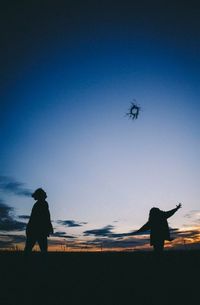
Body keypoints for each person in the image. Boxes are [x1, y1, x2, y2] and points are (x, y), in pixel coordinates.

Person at [24, 188, 53, 253]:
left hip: (34, 229)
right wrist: (49, 227)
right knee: (42, 249)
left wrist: (49, 226)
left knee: (29, 249)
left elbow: (46, 217)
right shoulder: (42, 203)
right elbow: (46, 217)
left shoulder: (39, 204)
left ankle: (25, 262)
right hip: (38, 230)